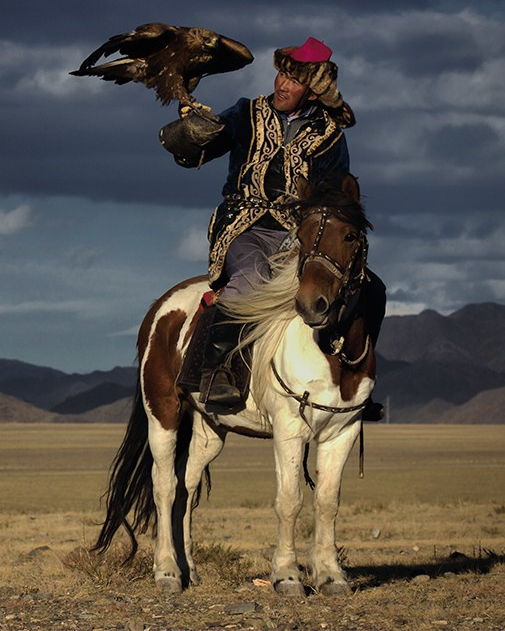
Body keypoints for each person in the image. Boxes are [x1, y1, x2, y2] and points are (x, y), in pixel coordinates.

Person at [159, 37, 385, 417]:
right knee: (250, 276)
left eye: (293, 80)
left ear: (312, 92)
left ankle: (355, 382)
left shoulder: (331, 137)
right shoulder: (247, 113)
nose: (281, 84)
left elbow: (333, 197)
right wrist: (191, 134)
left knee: (367, 287)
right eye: (281, 73)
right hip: (244, 226)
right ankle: (220, 372)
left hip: (299, 234)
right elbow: (204, 146)